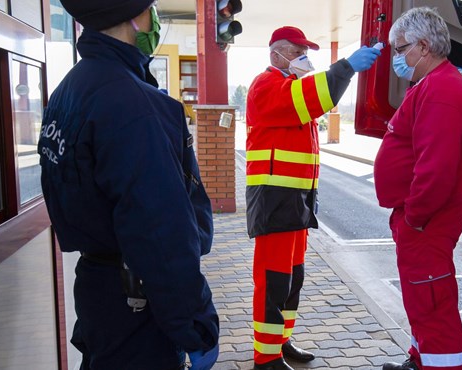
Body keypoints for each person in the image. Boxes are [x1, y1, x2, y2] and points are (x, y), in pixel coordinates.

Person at [38, 1, 218, 369]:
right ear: (134, 18)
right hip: (136, 303)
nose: (155, 18)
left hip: (99, 292)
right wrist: (195, 326)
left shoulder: (71, 89)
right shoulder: (132, 104)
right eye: (150, 7)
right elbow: (161, 233)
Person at [245, 26, 381, 370]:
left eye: (305, 52)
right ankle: (266, 357)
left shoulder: (287, 86)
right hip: (275, 198)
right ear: (276, 53)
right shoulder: (267, 85)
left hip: (295, 199)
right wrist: (346, 67)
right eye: (297, 51)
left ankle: (281, 341)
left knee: (292, 277)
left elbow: (312, 99)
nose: (304, 58)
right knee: (273, 278)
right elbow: (315, 95)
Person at [373, 7, 462, 370]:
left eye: (400, 49)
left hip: (427, 222)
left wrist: (414, 218)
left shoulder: (441, 89)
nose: (397, 58)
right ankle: (420, 360)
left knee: (433, 306)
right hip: (421, 222)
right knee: (422, 300)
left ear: (423, 45)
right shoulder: (434, 85)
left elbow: (436, 169)